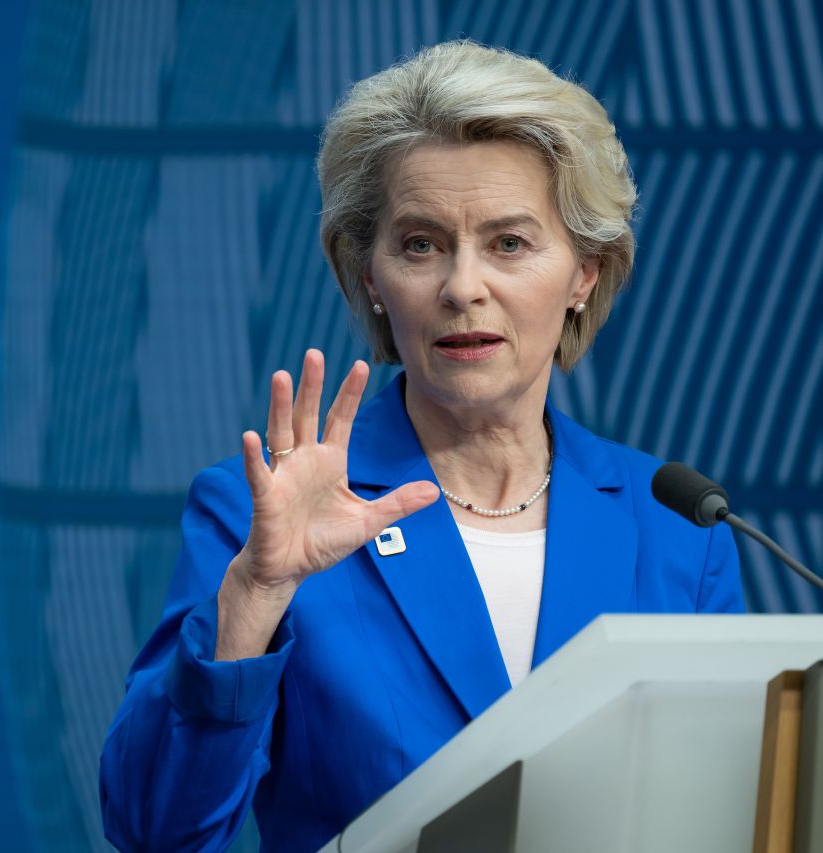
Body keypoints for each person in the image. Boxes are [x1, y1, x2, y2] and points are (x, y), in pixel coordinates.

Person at [99, 40, 744, 852]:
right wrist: (254, 601)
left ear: (585, 271)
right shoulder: (257, 514)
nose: (462, 286)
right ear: (369, 275)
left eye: (509, 244)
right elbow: (154, 832)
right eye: (420, 245)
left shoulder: (681, 531)